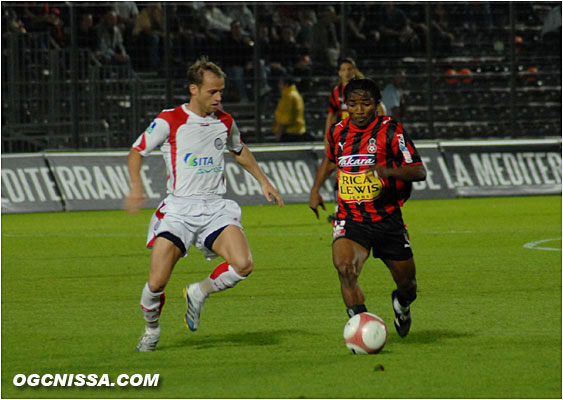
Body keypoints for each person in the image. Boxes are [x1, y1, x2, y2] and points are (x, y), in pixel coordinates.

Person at [125, 57, 285, 352]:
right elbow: (137, 151)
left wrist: (264, 181)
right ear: (194, 90)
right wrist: (136, 186)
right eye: (212, 92)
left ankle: (199, 291)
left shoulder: (224, 121)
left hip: (214, 209)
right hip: (179, 211)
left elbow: (239, 150)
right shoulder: (169, 120)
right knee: (157, 283)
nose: (219, 97)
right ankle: (151, 330)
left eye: (221, 91)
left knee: (243, 264)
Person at [308, 78, 426, 338]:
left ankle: (402, 305)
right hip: (351, 220)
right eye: (353, 104)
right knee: (345, 269)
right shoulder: (338, 131)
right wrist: (316, 189)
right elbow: (330, 161)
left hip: (387, 220)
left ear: (376, 104)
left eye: (365, 104)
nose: (359, 110)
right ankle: (363, 329)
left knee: (408, 286)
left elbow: (419, 171)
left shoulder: (391, 130)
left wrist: (388, 171)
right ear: (346, 105)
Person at [321, 58, 386, 219]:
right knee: (342, 172)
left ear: (354, 70)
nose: (347, 73)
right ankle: (340, 209)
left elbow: (380, 108)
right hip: (345, 137)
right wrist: (327, 138)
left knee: (365, 171)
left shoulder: (364, 89)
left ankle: (373, 204)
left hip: (364, 136)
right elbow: (331, 115)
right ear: (339, 73)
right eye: (343, 70)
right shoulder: (336, 92)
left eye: (349, 69)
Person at [272, 74, 307, 142]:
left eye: (280, 84)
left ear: (286, 84)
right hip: (296, 130)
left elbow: (286, 118)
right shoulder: (294, 94)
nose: (279, 86)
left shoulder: (289, 96)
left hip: (289, 133)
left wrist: (279, 132)